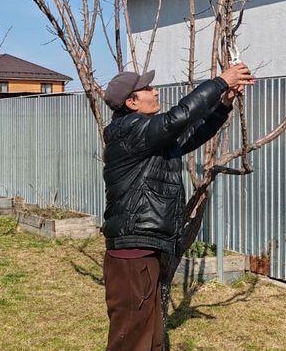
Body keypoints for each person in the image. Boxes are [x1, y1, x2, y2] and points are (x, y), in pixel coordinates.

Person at [101, 63, 255, 351]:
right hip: (133, 254)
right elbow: (178, 118)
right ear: (131, 103)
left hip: (146, 251)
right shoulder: (130, 131)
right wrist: (221, 81)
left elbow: (191, 133)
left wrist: (222, 105)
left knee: (151, 336)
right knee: (131, 340)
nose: (154, 91)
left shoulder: (148, 138)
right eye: (147, 88)